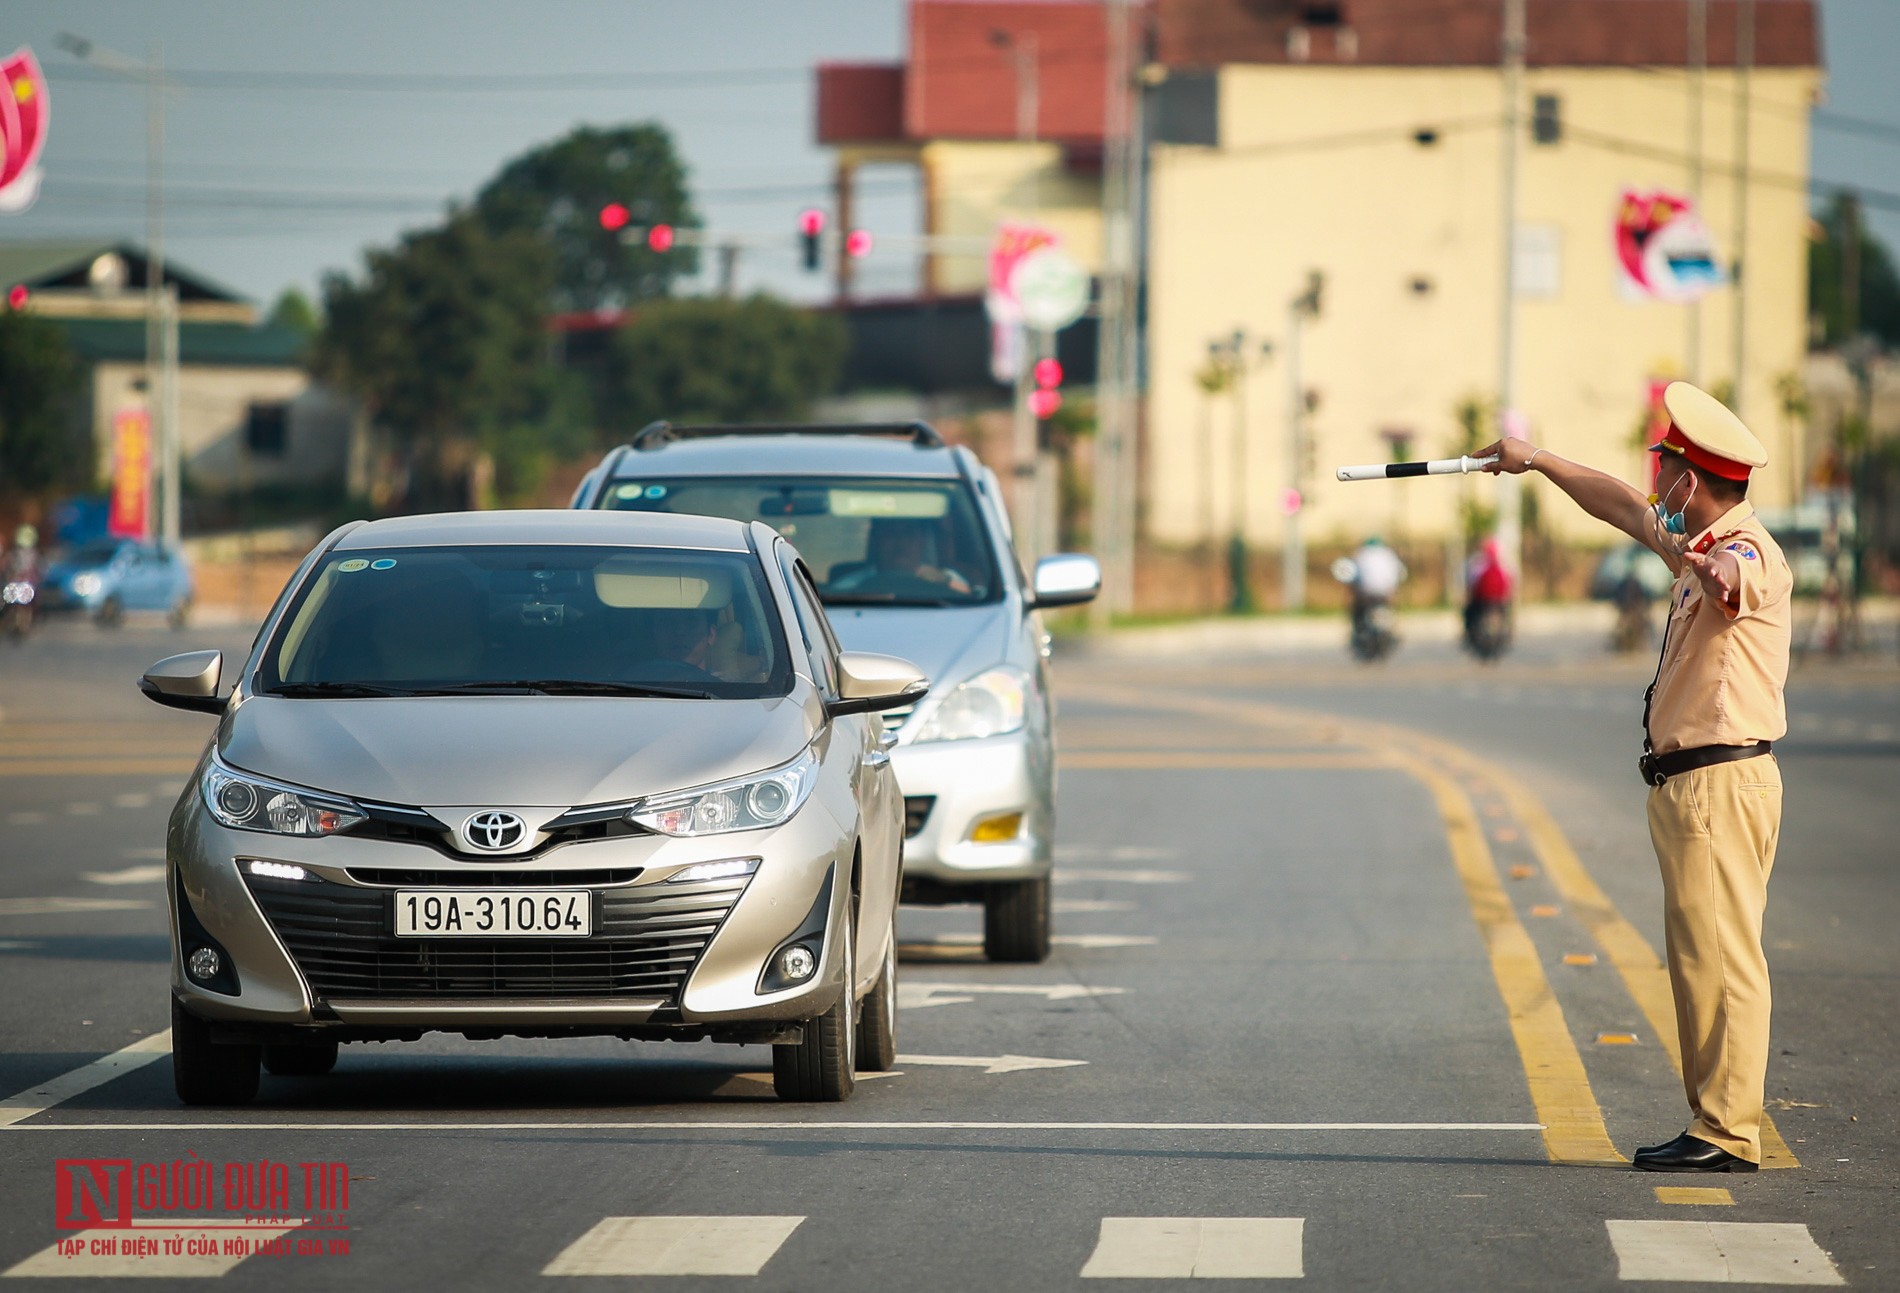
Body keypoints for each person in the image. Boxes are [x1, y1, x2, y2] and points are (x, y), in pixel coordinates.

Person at [1480, 381, 1790, 1174]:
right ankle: (1713, 1118)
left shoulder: (1745, 547)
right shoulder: (1693, 540)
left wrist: (1709, 561)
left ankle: (1728, 1131)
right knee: (1698, 960)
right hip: (1691, 787)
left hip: (1721, 782)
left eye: (1666, 472)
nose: (1656, 486)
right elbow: (1617, 506)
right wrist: (1537, 461)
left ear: (1692, 478)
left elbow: (1735, 579)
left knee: (1723, 959)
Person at [830, 519, 972, 596]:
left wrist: (944, 581)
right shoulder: (849, 587)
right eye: (890, 533)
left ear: (922, 540)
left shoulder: (948, 580)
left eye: (909, 533)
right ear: (876, 540)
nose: (900, 541)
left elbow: (972, 598)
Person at [1463, 536, 1515, 648]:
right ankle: (1509, 633)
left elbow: (1471, 583)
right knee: (1507, 612)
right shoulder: (1505, 564)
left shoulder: (1477, 564)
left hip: (1481, 600)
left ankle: (1467, 634)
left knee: (1468, 612)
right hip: (1499, 600)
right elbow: (1511, 582)